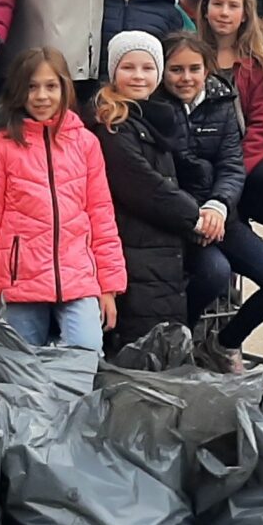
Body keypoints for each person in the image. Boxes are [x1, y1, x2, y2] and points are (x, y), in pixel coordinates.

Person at [0, 47, 126, 350]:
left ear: (65, 88)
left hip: (78, 278)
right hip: (19, 283)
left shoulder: (86, 143)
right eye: (32, 87)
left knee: (87, 349)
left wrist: (109, 287)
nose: (42, 96)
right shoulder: (0, 147)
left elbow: (102, 216)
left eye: (51, 86)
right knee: (20, 363)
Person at [162, 33, 263, 371]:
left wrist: (219, 205)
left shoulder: (221, 102)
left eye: (194, 69)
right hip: (181, 220)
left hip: (221, 215)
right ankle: (179, 344)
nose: (186, 77)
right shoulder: (155, 106)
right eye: (176, 69)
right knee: (215, 273)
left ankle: (223, 344)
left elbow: (232, 165)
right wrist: (196, 215)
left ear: (206, 69)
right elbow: (160, 177)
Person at [85, 31, 203, 349]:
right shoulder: (112, 125)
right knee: (141, 344)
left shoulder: (154, 117)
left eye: (148, 68)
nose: (138, 76)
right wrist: (194, 215)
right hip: (134, 247)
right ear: (113, 72)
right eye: (128, 67)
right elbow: (143, 186)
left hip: (159, 248)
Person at [193, 0, 263, 229]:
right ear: (205, 10)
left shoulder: (258, 66)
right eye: (217, 4)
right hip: (200, 152)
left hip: (240, 158)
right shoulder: (191, 57)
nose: (224, 12)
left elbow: (262, 127)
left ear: (245, 14)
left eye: (233, 6)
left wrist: (235, 169)